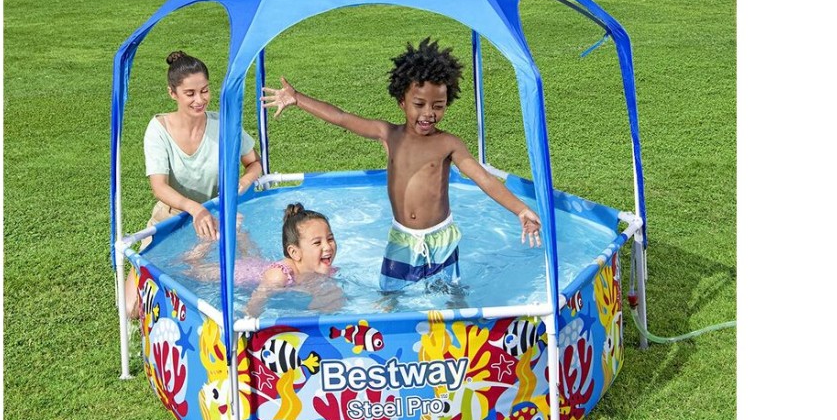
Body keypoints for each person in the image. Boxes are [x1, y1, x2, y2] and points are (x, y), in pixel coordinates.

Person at [261, 37, 541, 293]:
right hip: (402, 238)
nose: (429, 113)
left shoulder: (448, 144)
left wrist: (521, 209)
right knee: (390, 294)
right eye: (419, 104)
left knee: (452, 293)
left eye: (438, 106)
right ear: (401, 102)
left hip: (441, 238)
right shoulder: (389, 135)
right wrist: (297, 99)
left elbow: (483, 178)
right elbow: (341, 117)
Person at [126, 51, 262, 318]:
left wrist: (244, 181)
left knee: (254, 280)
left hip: (219, 215)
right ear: (172, 93)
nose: (199, 100)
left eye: (204, 91)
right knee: (132, 309)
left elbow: (254, 163)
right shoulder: (158, 129)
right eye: (190, 93)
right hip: (173, 215)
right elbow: (159, 187)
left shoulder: (223, 124)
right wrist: (195, 209)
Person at [179, 202, 343, 317]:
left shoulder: (320, 267)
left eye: (330, 239)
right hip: (241, 273)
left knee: (252, 256)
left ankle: (239, 233)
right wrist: (248, 320)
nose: (328, 247)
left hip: (259, 266)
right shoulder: (278, 276)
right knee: (192, 269)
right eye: (317, 243)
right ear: (294, 252)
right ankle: (210, 237)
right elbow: (257, 301)